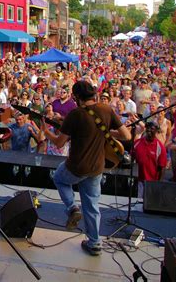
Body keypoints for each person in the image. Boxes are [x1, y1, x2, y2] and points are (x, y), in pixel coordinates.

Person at [41, 80, 131, 256]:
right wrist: (104, 130)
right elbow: (126, 135)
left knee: (59, 178)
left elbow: (59, 143)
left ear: (77, 97)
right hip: (98, 167)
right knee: (92, 204)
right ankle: (95, 243)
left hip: (76, 166)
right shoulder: (106, 109)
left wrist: (46, 131)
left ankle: (72, 208)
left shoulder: (75, 114)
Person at [134, 121, 167, 198]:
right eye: (148, 128)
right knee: (138, 205)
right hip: (139, 181)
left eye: (152, 128)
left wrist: (158, 185)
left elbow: (162, 167)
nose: (149, 130)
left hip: (152, 183)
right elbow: (132, 158)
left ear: (156, 131)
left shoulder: (160, 147)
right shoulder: (137, 142)